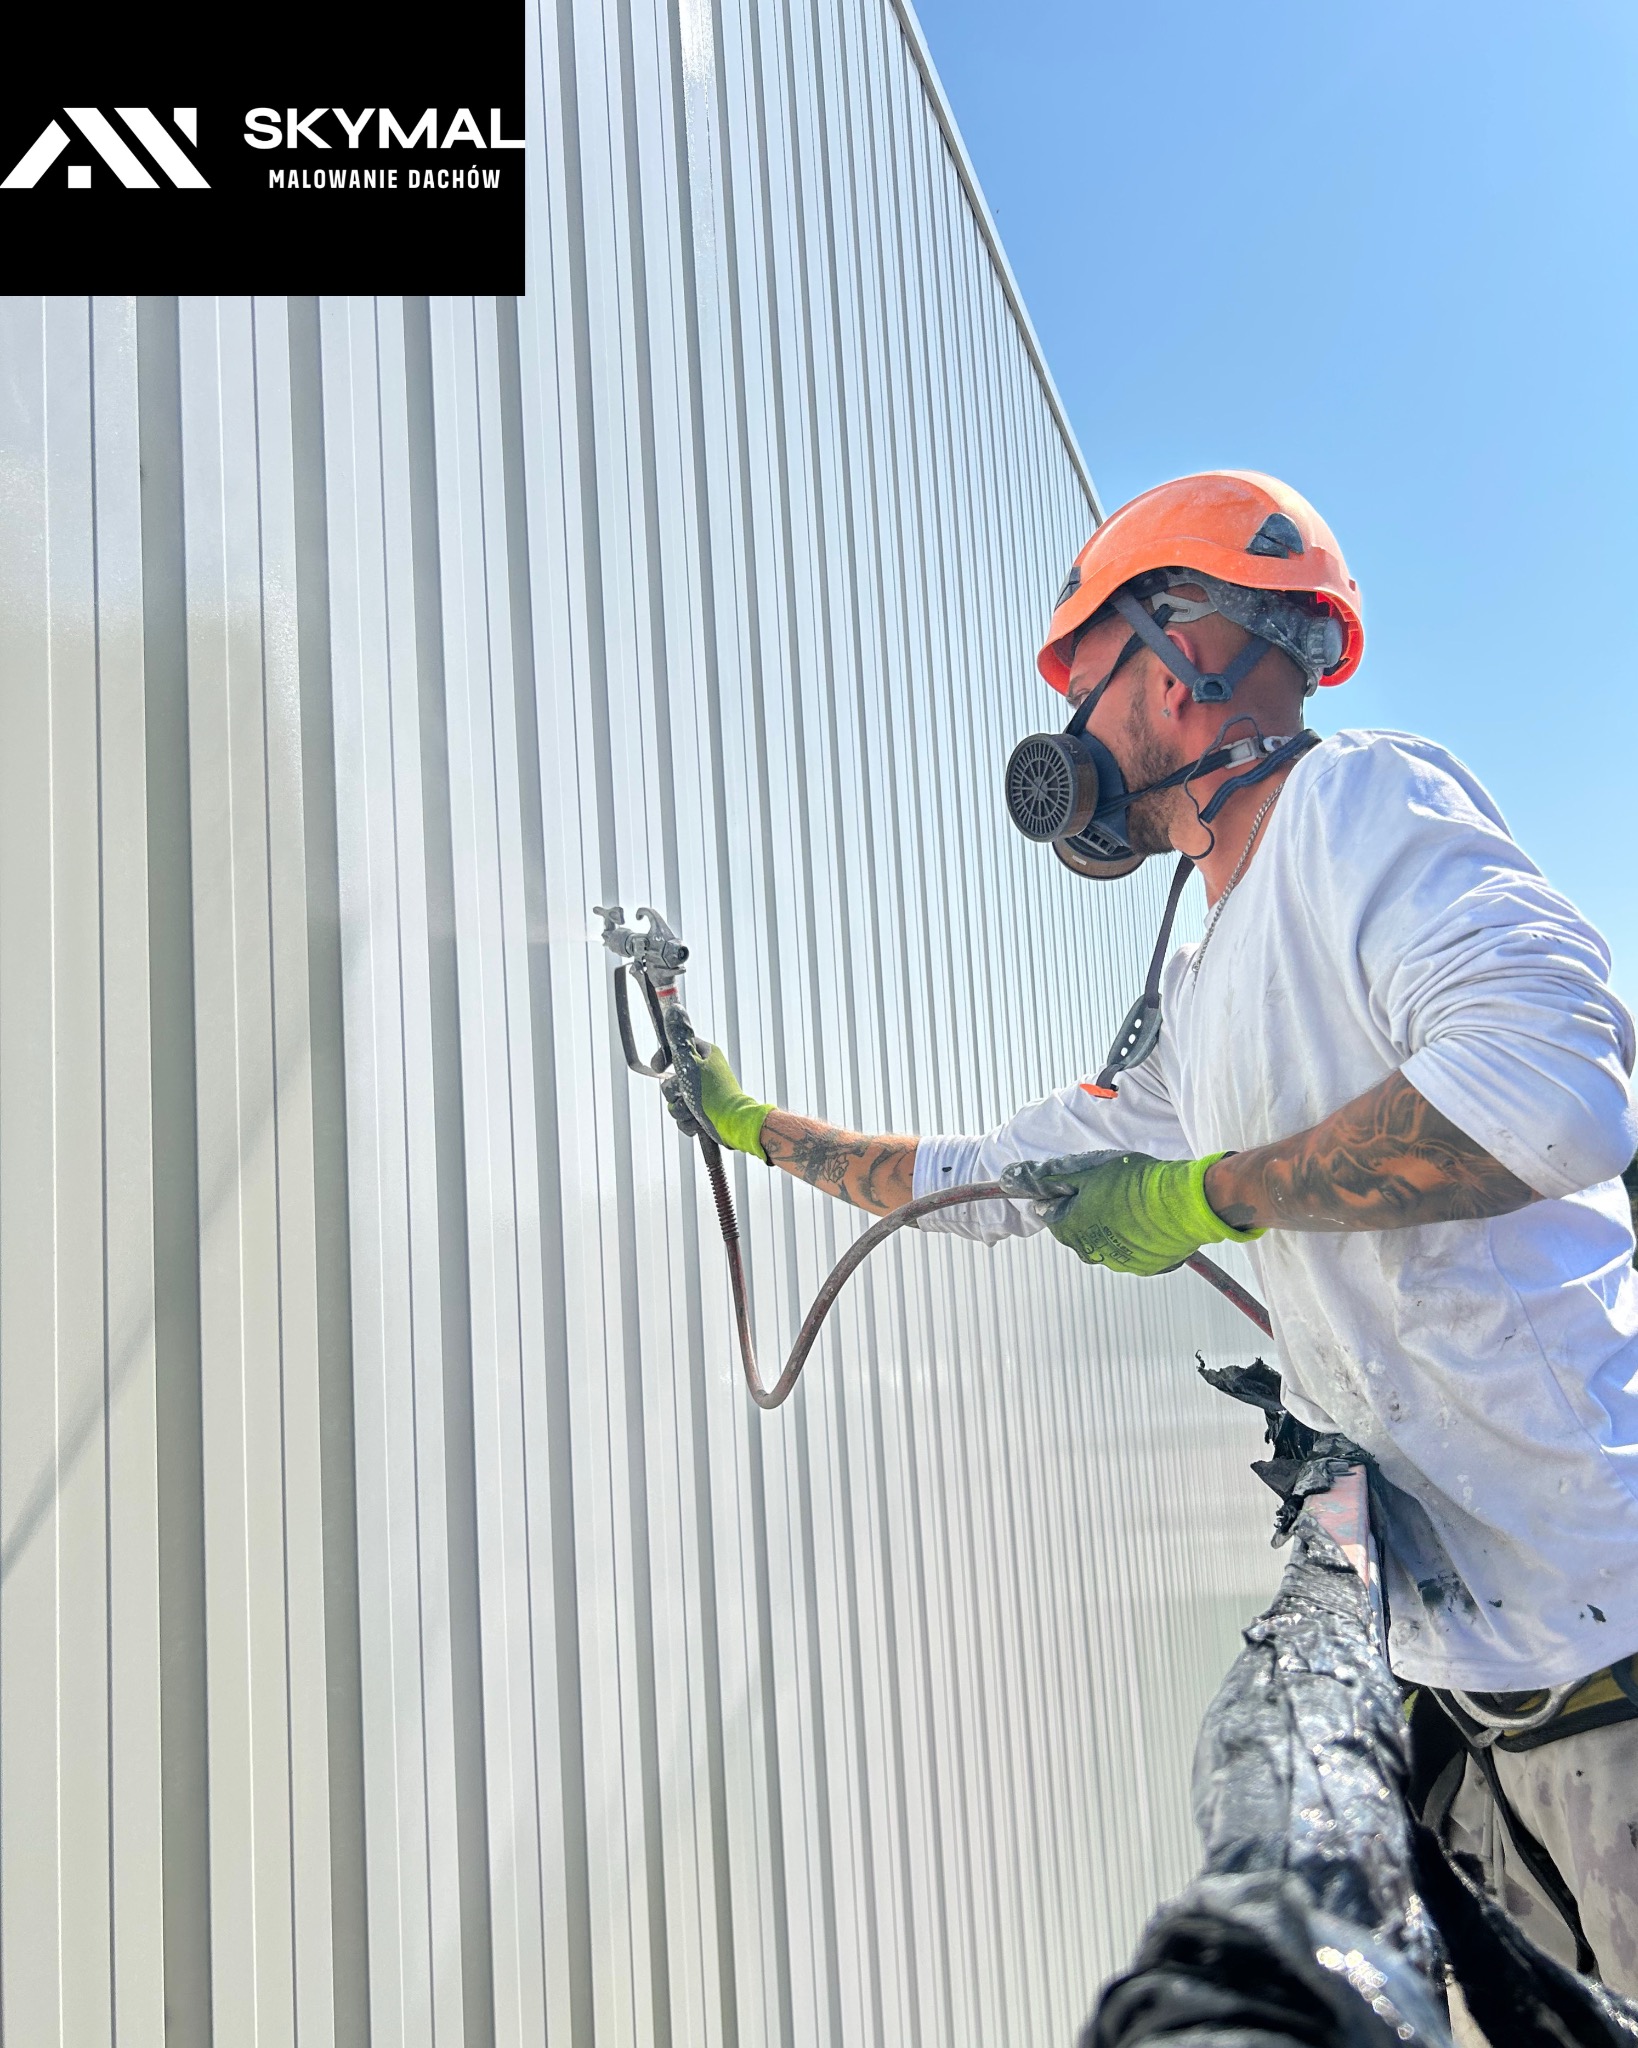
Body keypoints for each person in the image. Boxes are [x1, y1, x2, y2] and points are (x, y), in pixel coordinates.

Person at [674, 472, 1638, 2001]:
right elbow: (986, 1182)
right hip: (1474, 1682)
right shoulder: (1202, 980)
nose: (1076, 718)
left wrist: (1210, 1194)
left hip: (1608, 1643)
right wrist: (752, 1131)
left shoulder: (1359, 807)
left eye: (1086, 668)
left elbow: (1557, 1097)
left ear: (1182, 644)